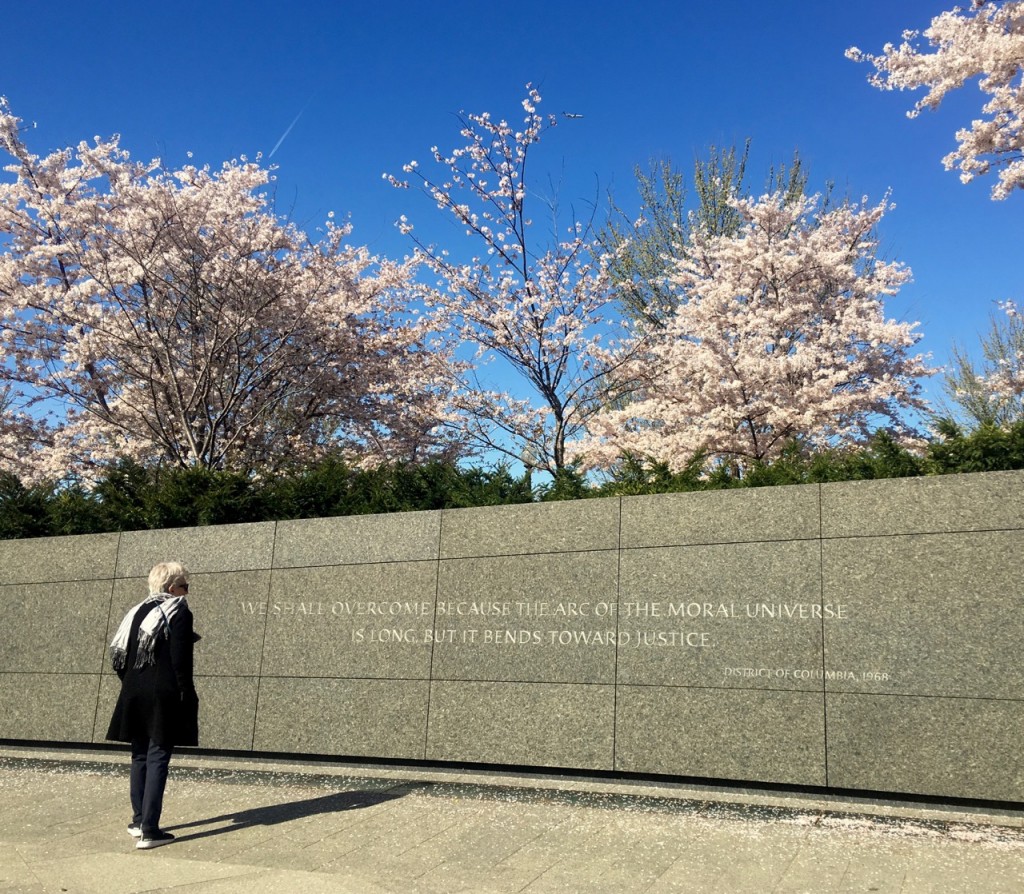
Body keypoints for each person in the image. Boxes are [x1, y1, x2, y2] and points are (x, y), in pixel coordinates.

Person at [106, 561, 199, 849]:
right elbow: (180, 658)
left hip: (134, 692)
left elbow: (119, 658)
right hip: (164, 693)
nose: (187, 592)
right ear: (172, 588)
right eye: (185, 586)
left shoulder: (136, 612)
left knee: (140, 756)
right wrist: (186, 691)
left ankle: (137, 821)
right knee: (159, 755)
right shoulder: (178, 610)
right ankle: (150, 830)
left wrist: (135, 684)